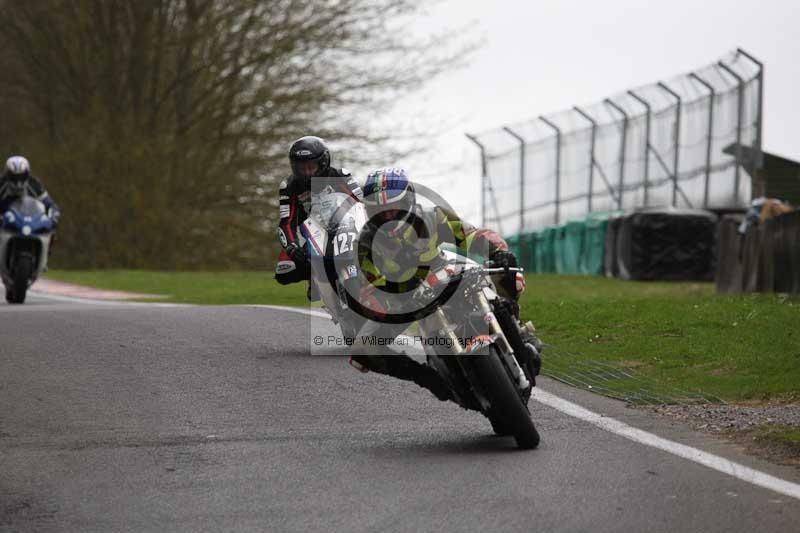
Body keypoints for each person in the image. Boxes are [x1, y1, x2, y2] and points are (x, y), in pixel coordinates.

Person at [348, 167, 540, 402]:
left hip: (446, 274)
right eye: (379, 211)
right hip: (404, 299)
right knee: (362, 349)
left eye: (392, 209)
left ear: (408, 201)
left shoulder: (433, 216)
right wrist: (383, 298)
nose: (387, 217)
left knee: (509, 275)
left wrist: (498, 251)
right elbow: (369, 284)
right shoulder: (364, 244)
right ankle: (427, 378)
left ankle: (520, 333)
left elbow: (470, 235)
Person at [274, 136, 362, 296]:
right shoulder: (289, 186)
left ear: (323, 162)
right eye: (302, 168)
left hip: (344, 227)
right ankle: (314, 277)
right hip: (309, 233)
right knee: (284, 271)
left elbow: (360, 202)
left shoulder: (341, 175)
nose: (307, 173)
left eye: (311, 167)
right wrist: (291, 246)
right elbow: (286, 222)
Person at [0, 156, 60, 225]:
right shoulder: (1, 184)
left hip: (31, 226)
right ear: (7, 175)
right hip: (4, 226)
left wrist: (52, 219)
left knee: (49, 233)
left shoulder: (34, 184)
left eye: (21, 177)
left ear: (27, 175)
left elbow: (51, 205)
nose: (18, 183)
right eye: (14, 177)